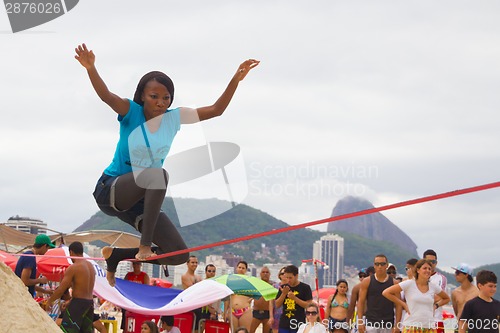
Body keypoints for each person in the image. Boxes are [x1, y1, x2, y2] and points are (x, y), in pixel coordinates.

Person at [74, 43, 259, 285]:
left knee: (177, 254)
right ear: (142, 96)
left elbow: (216, 110)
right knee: (158, 175)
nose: (160, 102)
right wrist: (91, 69)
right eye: (154, 97)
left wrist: (236, 79)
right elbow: (107, 96)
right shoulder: (131, 111)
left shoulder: (175, 118)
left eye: (166, 98)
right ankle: (144, 245)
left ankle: (117, 256)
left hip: (140, 200)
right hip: (112, 189)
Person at [382, 259, 450, 333]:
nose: (427, 270)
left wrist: (435, 306)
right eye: (425, 268)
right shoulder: (409, 284)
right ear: (418, 270)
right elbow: (386, 292)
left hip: (429, 327)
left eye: (429, 269)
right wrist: (404, 305)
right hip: (411, 326)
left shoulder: (433, 287)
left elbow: (446, 298)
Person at [44, 241, 96, 333]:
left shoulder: (74, 267)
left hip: (78, 303)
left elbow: (61, 289)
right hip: (90, 303)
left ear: (71, 252)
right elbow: (84, 289)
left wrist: (50, 301)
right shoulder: (91, 266)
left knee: (68, 330)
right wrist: (70, 301)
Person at [357, 254, 401, 333]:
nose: (380, 266)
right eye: (377, 264)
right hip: (371, 323)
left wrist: (397, 325)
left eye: (382, 264)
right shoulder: (367, 281)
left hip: (388, 323)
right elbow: (361, 302)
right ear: (374, 265)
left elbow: (398, 305)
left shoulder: (394, 283)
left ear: (386, 265)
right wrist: (360, 321)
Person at [275, 264, 313, 333]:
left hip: (299, 322)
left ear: (296, 276)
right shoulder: (283, 287)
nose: (288, 280)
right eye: (286, 277)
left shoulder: (305, 288)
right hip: (284, 322)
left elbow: (308, 305)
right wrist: (283, 294)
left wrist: (294, 298)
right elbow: (277, 305)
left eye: (290, 278)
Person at [422, 249, 448, 333]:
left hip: (436, 320)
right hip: (418, 321)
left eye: (433, 261)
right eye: (428, 261)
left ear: (436, 263)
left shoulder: (441, 278)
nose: (431, 264)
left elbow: (439, 297)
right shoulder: (416, 278)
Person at [226, 261, 253, 331]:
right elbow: (227, 298)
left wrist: (251, 299)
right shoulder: (231, 281)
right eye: (239, 267)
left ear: (246, 270)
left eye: (243, 268)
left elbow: (256, 293)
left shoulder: (249, 282)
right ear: (236, 268)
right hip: (232, 311)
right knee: (233, 331)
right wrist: (225, 312)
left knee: (245, 331)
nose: (241, 269)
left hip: (245, 310)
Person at [250, 266, 273, 333]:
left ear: (269, 274)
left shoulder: (273, 285)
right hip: (257, 311)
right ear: (260, 274)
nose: (265, 274)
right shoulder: (256, 284)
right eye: (263, 272)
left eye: (267, 272)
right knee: (251, 331)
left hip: (267, 312)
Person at [269, 267, 287, 333]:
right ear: (279, 275)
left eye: (286, 273)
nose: (284, 275)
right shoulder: (275, 286)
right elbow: (271, 302)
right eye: (282, 273)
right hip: (276, 314)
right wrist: (271, 316)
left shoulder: (291, 287)